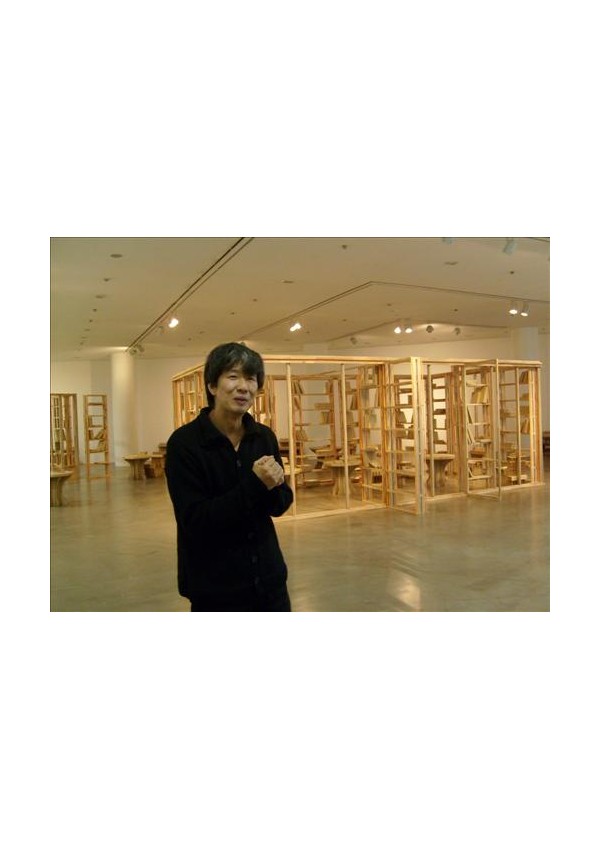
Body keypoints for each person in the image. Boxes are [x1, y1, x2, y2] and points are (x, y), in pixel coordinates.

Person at [165, 342, 293, 611]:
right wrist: (257, 484)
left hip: (269, 581)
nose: (244, 387)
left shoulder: (263, 436)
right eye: (233, 376)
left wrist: (275, 485)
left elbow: (280, 504)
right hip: (215, 587)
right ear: (212, 385)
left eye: (251, 378)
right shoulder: (185, 443)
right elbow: (195, 520)